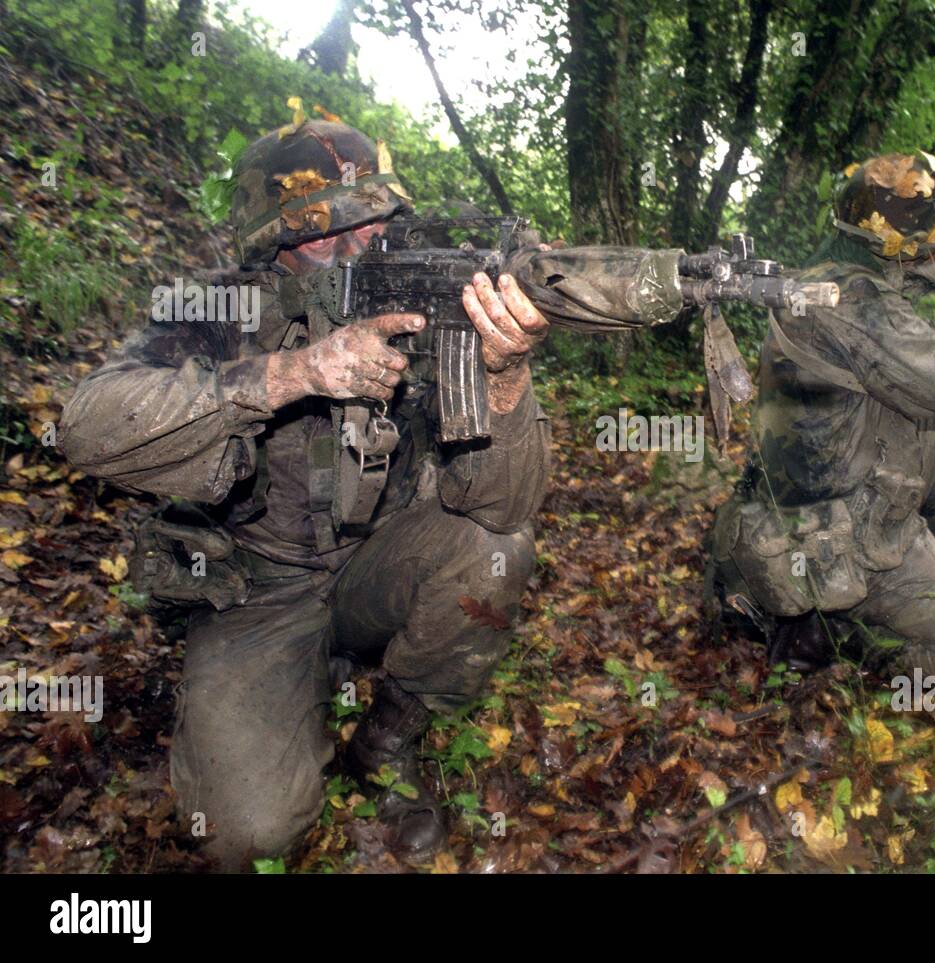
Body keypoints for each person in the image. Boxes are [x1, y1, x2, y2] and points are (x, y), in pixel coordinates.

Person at [61, 119, 567, 870]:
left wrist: (504, 374)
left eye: (372, 221)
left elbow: (506, 504)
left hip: (372, 565)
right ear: (270, 240)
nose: (355, 246)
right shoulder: (218, 309)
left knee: (494, 549)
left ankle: (386, 741)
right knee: (248, 834)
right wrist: (286, 376)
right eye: (324, 231)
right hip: (257, 591)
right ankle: (281, 688)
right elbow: (86, 425)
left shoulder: (426, 305)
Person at [712, 152, 935, 685]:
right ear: (894, 239)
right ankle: (865, 647)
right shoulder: (850, 299)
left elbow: (930, 287)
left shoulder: (834, 274)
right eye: (934, 226)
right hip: (848, 545)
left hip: (813, 519)